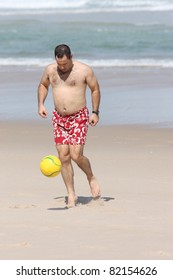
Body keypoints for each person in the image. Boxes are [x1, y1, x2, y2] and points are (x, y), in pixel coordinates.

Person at [37, 44, 101, 208]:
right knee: (63, 156)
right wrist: (41, 104)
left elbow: (95, 89)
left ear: (71, 57)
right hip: (59, 117)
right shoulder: (51, 70)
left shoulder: (84, 70)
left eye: (65, 64)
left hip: (78, 116)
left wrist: (95, 112)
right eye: (59, 64)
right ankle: (71, 194)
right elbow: (43, 85)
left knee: (76, 154)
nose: (62, 67)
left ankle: (90, 177)